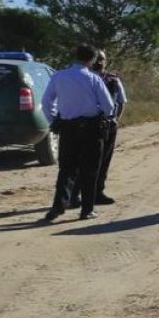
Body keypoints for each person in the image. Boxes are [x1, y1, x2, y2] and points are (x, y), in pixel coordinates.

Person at [41, 44, 115, 222]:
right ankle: (86, 210)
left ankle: (59, 205)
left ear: (75, 56)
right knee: (89, 170)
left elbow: (46, 101)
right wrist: (98, 111)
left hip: (67, 128)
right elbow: (109, 106)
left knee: (66, 169)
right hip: (91, 129)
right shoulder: (93, 79)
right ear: (92, 60)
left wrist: (53, 121)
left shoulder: (58, 76)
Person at [91, 50, 127, 205]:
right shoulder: (86, 78)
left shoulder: (113, 79)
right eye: (97, 59)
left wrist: (115, 120)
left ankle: (98, 192)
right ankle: (77, 195)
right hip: (88, 124)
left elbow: (121, 101)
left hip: (107, 125)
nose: (99, 62)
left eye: (102, 59)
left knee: (104, 161)